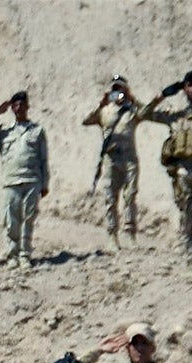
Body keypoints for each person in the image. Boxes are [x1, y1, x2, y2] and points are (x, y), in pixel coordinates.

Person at [139, 70, 192, 267]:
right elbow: (143, 114)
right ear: (184, 88)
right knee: (186, 216)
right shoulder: (175, 116)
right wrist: (163, 94)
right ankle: (188, 257)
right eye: (189, 85)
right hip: (183, 172)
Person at [0, 91, 49, 265]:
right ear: (11, 108)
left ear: (27, 106)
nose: (18, 108)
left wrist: (45, 183)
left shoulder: (37, 131)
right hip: (11, 181)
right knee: (12, 220)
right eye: (15, 105)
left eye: (21, 104)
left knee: (28, 219)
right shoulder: (3, 131)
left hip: (32, 180)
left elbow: (43, 159)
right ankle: (12, 255)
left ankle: (25, 255)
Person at [84, 78, 142, 243]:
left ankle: (130, 234)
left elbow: (147, 112)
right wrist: (100, 104)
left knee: (130, 196)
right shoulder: (105, 111)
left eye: (121, 90)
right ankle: (112, 235)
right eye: (115, 90)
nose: (118, 93)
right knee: (110, 197)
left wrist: (133, 99)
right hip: (111, 158)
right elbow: (86, 121)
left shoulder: (132, 111)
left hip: (129, 157)